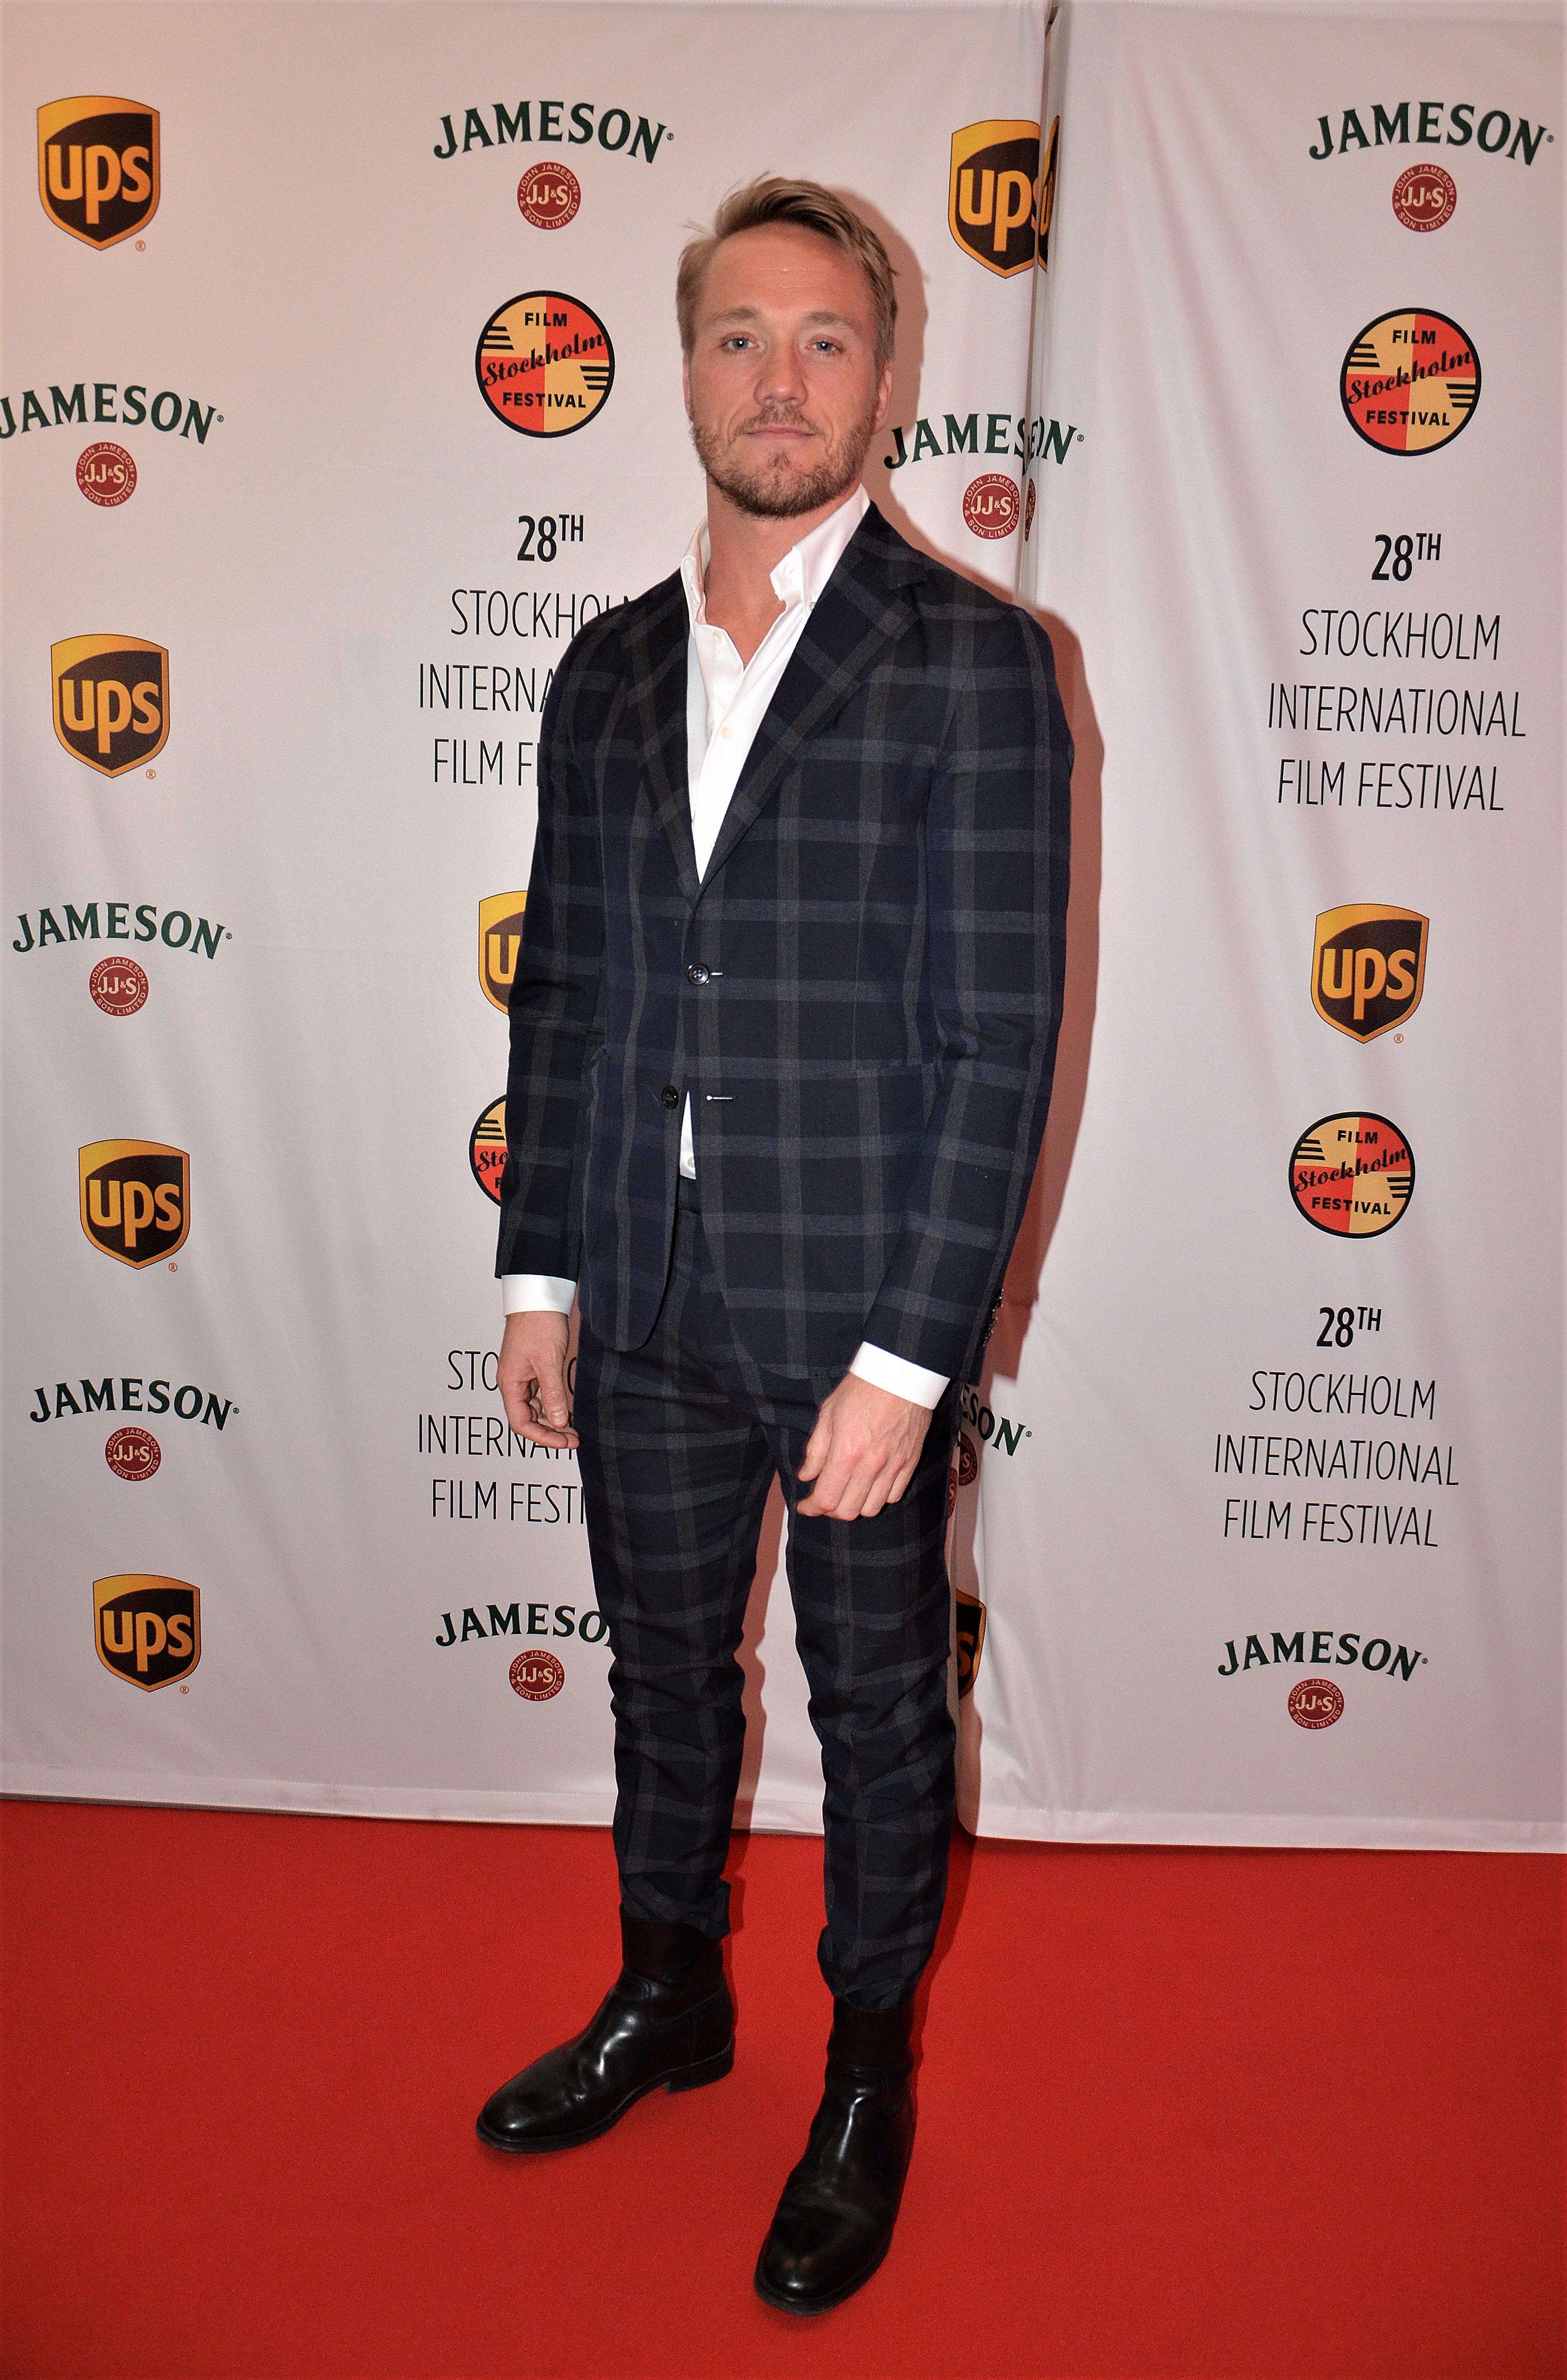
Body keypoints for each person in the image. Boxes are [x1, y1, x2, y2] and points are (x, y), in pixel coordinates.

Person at [482, 176, 1071, 2316]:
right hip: (634, 1294)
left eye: (827, 339)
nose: (782, 379)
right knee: (661, 1672)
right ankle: (671, 1991)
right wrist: (541, 1270)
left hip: (852, 1325)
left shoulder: (975, 664)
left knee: (879, 1712)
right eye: (741, 335)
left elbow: (999, 1039)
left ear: (888, 377)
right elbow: (564, 989)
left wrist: (911, 1360)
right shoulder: (604, 667)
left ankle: (864, 2078)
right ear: (684, 367)